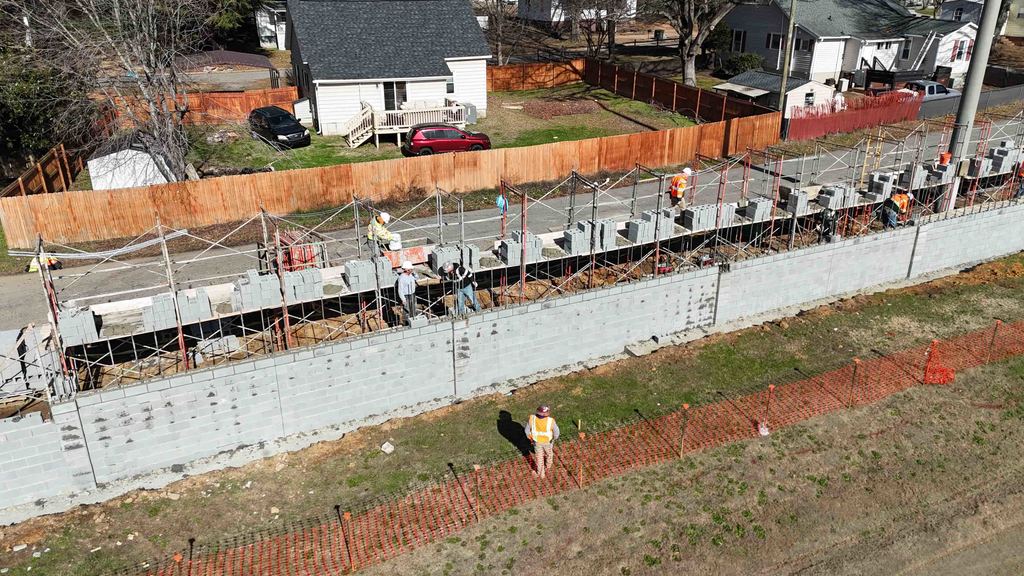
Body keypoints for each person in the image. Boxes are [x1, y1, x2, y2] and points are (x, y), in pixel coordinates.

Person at [525, 405, 559, 479]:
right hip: (548, 442)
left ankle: (541, 474)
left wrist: (531, 438)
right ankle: (548, 465)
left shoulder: (532, 419)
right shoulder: (551, 421)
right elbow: (556, 432)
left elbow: (527, 431)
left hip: (537, 442)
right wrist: (555, 438)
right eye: (547, 411)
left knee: (539, 458)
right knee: (549, 454)